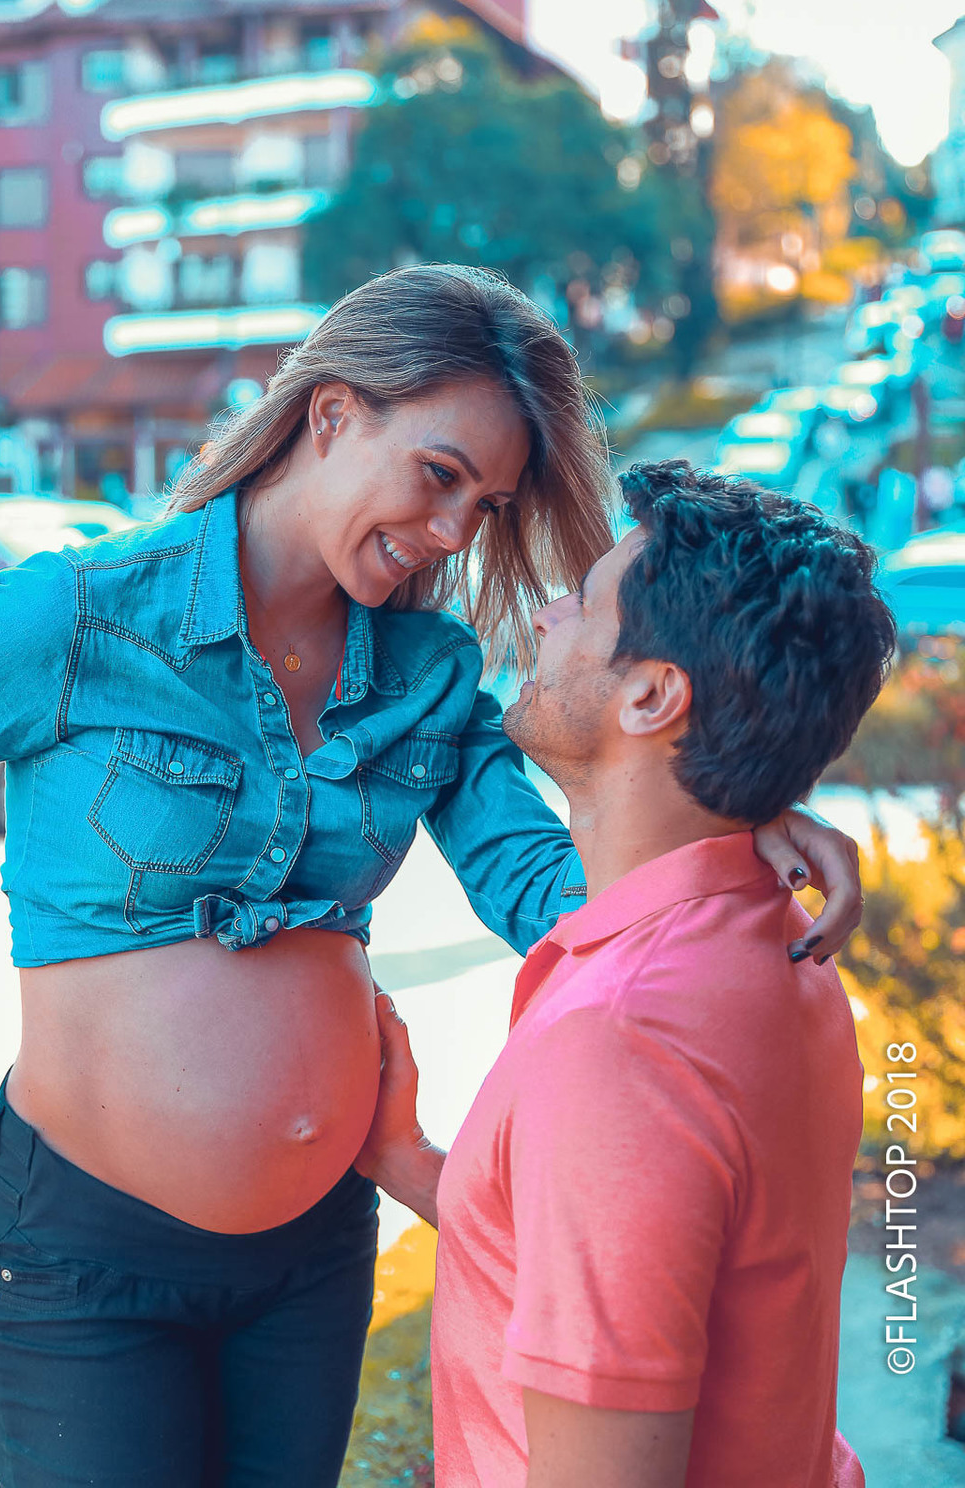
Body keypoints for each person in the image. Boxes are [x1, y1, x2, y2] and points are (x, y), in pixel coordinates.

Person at [0, 270, 863, 1488]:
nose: (457, 533)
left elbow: (551, 879)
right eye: (440, 476)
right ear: (334, 414)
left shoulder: (430, 673)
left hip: (311, 1262)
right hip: (76, 1262)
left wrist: (744, 815)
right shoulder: (84, 616)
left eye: (488, 505)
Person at [358, 459, 896, 1488]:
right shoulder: (764, 936)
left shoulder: (627, 1041)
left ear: (652, 694)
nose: (551, 612)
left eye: (587, 599)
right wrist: (404, 1159)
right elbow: (612, 1257)